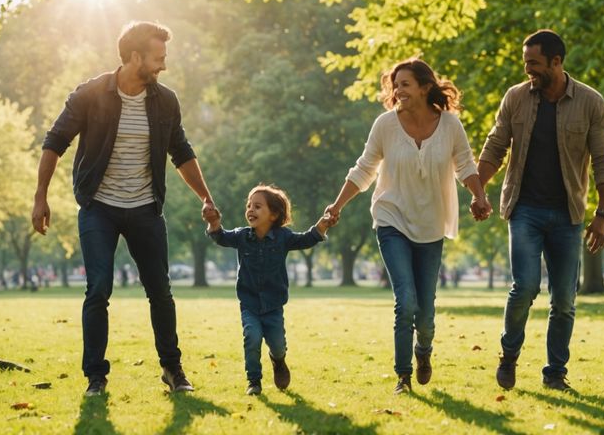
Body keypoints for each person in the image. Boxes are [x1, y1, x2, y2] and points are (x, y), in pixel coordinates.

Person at [31, 21, 219, 397]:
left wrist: (206, 197)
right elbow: (55, 141)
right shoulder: (90, 94)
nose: (163, 66)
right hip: (99, 206)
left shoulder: (165, 101)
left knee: (160, 291)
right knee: (98, 288)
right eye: (158, 58)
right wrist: (41, 196)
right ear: (135, 57)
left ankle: (172, 368)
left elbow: (180, 152)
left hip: (145, 208)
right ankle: (95, 377)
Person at [324, 58, 491, 395]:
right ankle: (403, 377)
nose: (397, 90)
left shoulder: (450, 125)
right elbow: (364, 169)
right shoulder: (385, 125)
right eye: (395, 85)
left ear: (425, 87)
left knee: (425, 311)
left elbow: (465, 164)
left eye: (405, 84)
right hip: (391, 218)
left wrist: (479, 196)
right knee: (406, 301)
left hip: (430, 224)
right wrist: (336, 206)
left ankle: (423, 351)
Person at [477, 30, 604, 392]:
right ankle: (509, 356)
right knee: (524, 287)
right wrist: (478, 191)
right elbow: (495, 146)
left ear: (557, 62)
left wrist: (602, 215)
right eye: (525, 63)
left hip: (568, 215)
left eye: (534, 64)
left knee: (565, 300)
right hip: (524, 209)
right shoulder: (516, 98)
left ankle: (555, 373)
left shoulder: (590, 102)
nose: (528, 71)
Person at [204, 184, 333, 395]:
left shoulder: (283, 238)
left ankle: (278, 360)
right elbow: (221, 237)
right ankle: (253, 381)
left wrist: (322, 226)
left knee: (278, 344)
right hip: (250, 303)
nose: (250, 210)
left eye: (257, 206)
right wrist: (214, 222)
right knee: (252, 337)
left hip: (274, 304)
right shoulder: (241, 236)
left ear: (273, 214)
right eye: (248, 206)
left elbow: (306, 239)